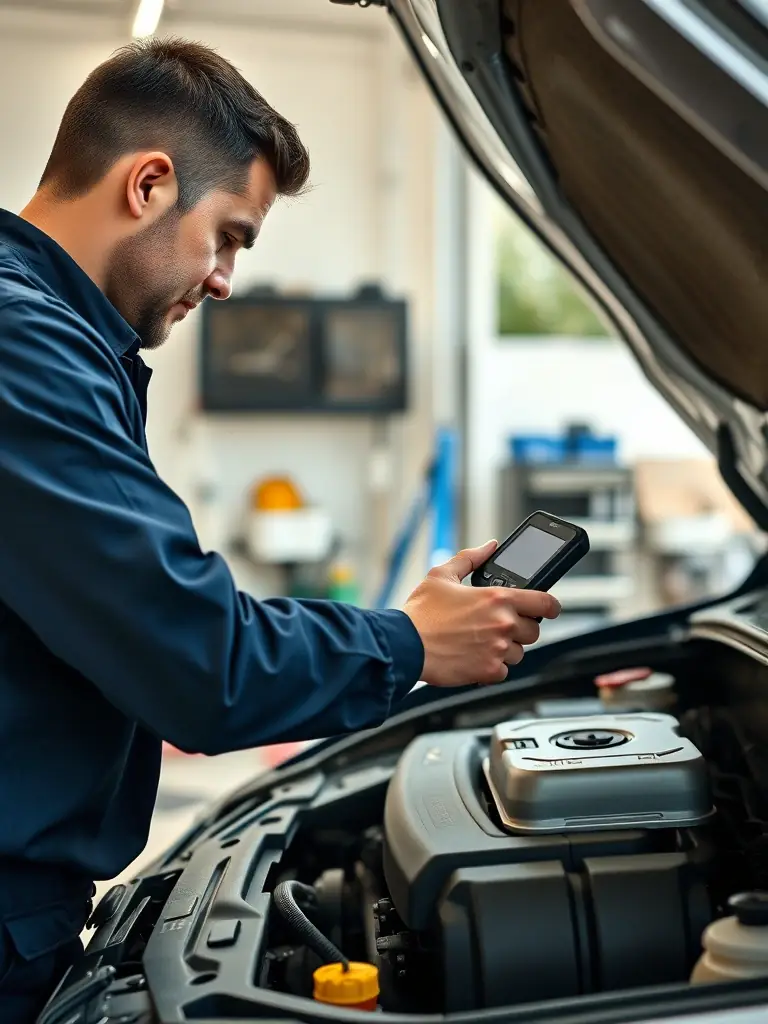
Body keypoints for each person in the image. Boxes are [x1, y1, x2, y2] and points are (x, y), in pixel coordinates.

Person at [0, 38, 560, 1021]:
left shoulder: (49, 334)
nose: (223, 280)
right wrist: (412, 640)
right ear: (149, 183)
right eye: (230, 236)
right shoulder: (22, 348)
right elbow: (196, 661)